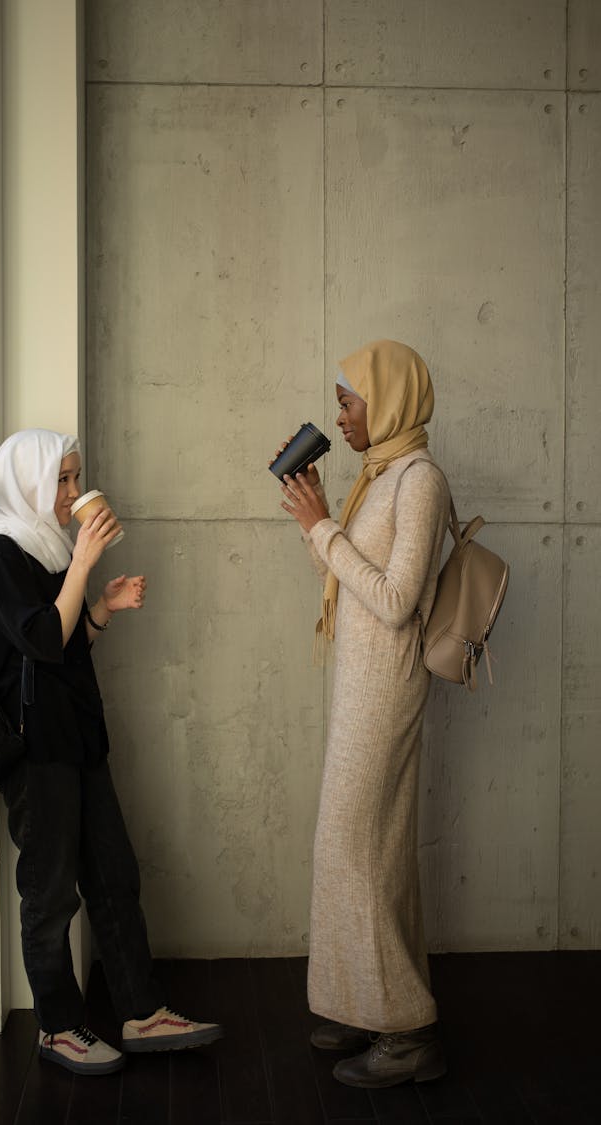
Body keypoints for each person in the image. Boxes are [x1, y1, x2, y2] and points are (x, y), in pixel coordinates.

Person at [0, 428, 223, 1076]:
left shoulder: (52, 548)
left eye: (76, 476)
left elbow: (68, 642)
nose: (73, 491)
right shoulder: (2, 553)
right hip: (37, 753)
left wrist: (103, 607)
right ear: (27, 484)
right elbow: (39, 642)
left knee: (114, 876)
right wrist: (83, 566)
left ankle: (142, 1012)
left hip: (79, 741)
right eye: (60, 478)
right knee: (51, 893)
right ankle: (57, 1026)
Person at [277, 340, 450, 1088]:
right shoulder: (378, 477)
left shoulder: (420, 480)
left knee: (358, 851)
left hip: (388, 688)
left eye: (349, 401)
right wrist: (313, 518)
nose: (340, 415)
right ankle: (364, 999)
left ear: (388, 401)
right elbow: (350, 580)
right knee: (361, 850)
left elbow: (395, 598)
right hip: (360, 686)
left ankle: (407, 1036)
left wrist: (323, 528)